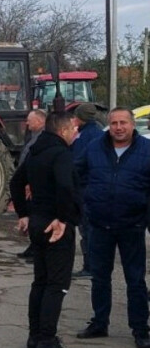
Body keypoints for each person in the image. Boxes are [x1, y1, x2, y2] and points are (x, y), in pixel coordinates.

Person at [75, 107, 150, 348]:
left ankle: (140, 329)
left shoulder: (146, 150)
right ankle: (99, 323)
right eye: (114, 123)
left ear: (132, 125)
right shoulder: (95, 147)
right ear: (109, 125)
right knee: (99, 278)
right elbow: (77, 172)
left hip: (133, 225)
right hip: (99, 224)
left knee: (135, 280)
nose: (118, 127)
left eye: (123, 123)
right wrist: (87, 199)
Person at [10, 112, 80, 348]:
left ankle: (35, 337)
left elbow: (15, 182)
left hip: (38, 224)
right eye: (73, 129)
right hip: (55, 227)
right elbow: (65, 185)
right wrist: (63, 219)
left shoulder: (35, 151)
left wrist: (24, 214)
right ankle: (47, 340)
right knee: (56, 285)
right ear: (62, 131)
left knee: (40, 282)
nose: (75, 133)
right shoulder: (61, 153)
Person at [70, 103, 103, 280]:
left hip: (86, 187)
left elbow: (78, 162)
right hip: (90, 186)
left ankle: (90, 266)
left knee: (87, 228)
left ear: (81, 117)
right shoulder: (95, 132)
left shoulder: (86, 136)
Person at [18, 109, 48, 261]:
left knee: (35, 216)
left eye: (30, 120)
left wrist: (30, 182)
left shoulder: (42, 139)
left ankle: (37, 250)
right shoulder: (34, 137)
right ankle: (33, 247)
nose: (27, 122)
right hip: (29, 181)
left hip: (34, 184)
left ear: (40, 121)